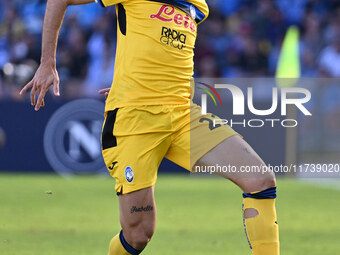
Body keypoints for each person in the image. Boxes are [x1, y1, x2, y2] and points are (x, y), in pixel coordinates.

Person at [19, 0, 279, 254]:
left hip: (182, 113)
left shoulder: (198, 6)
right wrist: (47, 63)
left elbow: (169, 51)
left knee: (260, 179)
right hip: (136, 120)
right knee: (139, 235)